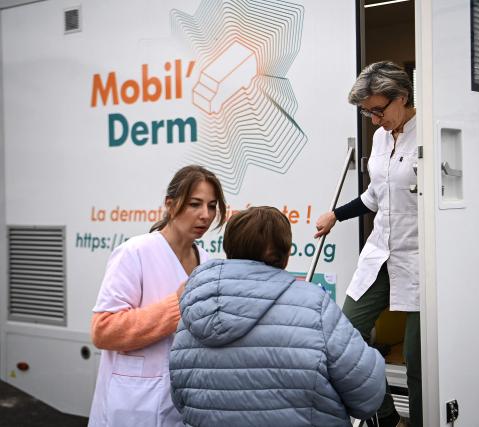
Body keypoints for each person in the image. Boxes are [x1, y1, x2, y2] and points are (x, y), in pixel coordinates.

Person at [169, 206, 387, 426]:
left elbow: (180, 400)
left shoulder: (193, 311)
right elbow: (367, 395)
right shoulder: (314, 306)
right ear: (285, 255)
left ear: (229, 250)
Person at [314, 61, 420, 427]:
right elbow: (375, 195)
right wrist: (336, 215)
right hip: (380, 252)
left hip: (420, 258)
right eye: (367, 113)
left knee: (417, 358)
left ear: (402, 97)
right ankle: (388, 417)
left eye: (378, 110)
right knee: (346, 335)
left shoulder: (429, 135)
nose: (374, 120)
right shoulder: (379, 138)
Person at [87, 165, 226, 427]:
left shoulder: (207, 263)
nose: (205, 215)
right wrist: (177, 305)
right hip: (131, 406)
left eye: (211, 206)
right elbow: (103, 331)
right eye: (195, 204)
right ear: (170, 205)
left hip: (183, 405)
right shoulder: (134, 253)